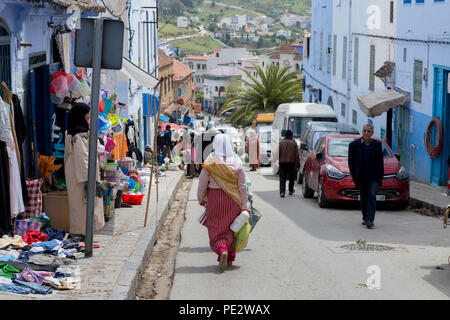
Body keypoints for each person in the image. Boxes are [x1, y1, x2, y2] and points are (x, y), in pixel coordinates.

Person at [197, 134, 248, 271]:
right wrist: (244, 205)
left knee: (216, 227)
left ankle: (222, 249)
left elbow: (202, 184)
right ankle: (229, 257)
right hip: (234, 201)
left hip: (215, 200)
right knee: (232, 228)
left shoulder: (210, 163)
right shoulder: (237, 163)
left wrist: (200, 198)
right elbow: (243, 187)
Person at [64, 103, 105, 237]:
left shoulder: (72, 132)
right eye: (87, 115)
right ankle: (79, 232)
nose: (89, 117)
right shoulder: (79, 136)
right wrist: (89, 178)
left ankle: (80, 231)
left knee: (78, 204)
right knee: (81, 204)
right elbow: (82, 159)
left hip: (76, 171)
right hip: (80, 174)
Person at [348, 124, 384, 229]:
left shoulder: (377, 145)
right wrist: (354, 176)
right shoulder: (354, 145)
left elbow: (380, 162)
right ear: (362, 132)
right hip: (361, 177)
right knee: (364, 198)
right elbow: (351, 163)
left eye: (369, 131)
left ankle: (370, 219)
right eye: (364, 131)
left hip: (373, 177)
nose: (366, 133)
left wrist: (380, 176)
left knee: (372, 195)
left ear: (372, 133)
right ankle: (365, 216)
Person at [277, 129, 299, 197]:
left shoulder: (281, 143)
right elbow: (296, 156)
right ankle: (290, 190)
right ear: (290, 136)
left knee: (282, 178)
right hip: (291, 163)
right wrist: (298, 165)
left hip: (282, 163)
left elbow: (277, 153)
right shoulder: (294, 143)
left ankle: (282, 192)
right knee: (291, 177)